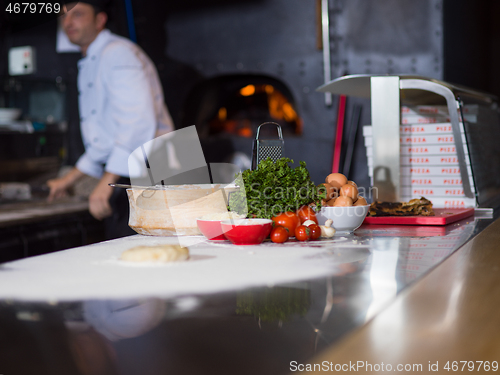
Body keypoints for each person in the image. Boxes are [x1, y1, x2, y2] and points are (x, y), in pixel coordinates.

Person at [47, 0, 174, 238]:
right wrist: (68, 179)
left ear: (100, 19)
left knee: (150, 260)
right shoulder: (93, 58)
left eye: (78, 15)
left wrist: (105, 185)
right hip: (132, 172)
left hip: (153, 172)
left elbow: (136, 122)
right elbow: (103, 140)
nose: (68, 22)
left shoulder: (118, 53)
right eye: (64, 17)